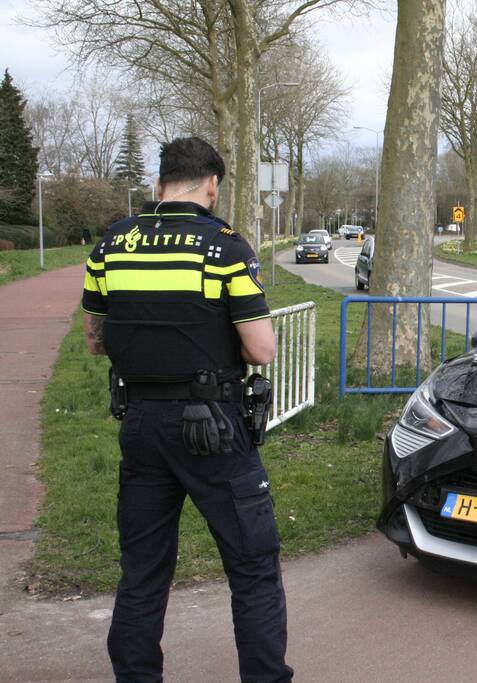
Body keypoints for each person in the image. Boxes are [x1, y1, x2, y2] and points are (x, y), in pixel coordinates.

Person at [81, 136, 292, 683]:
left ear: (160, 183)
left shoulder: (112, 244)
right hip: (214, 426)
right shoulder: (223, 247)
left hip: (142, 423)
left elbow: (95, 338)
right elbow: (261, 349)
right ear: (212, 185)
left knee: (142, 572)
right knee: (253, 568)